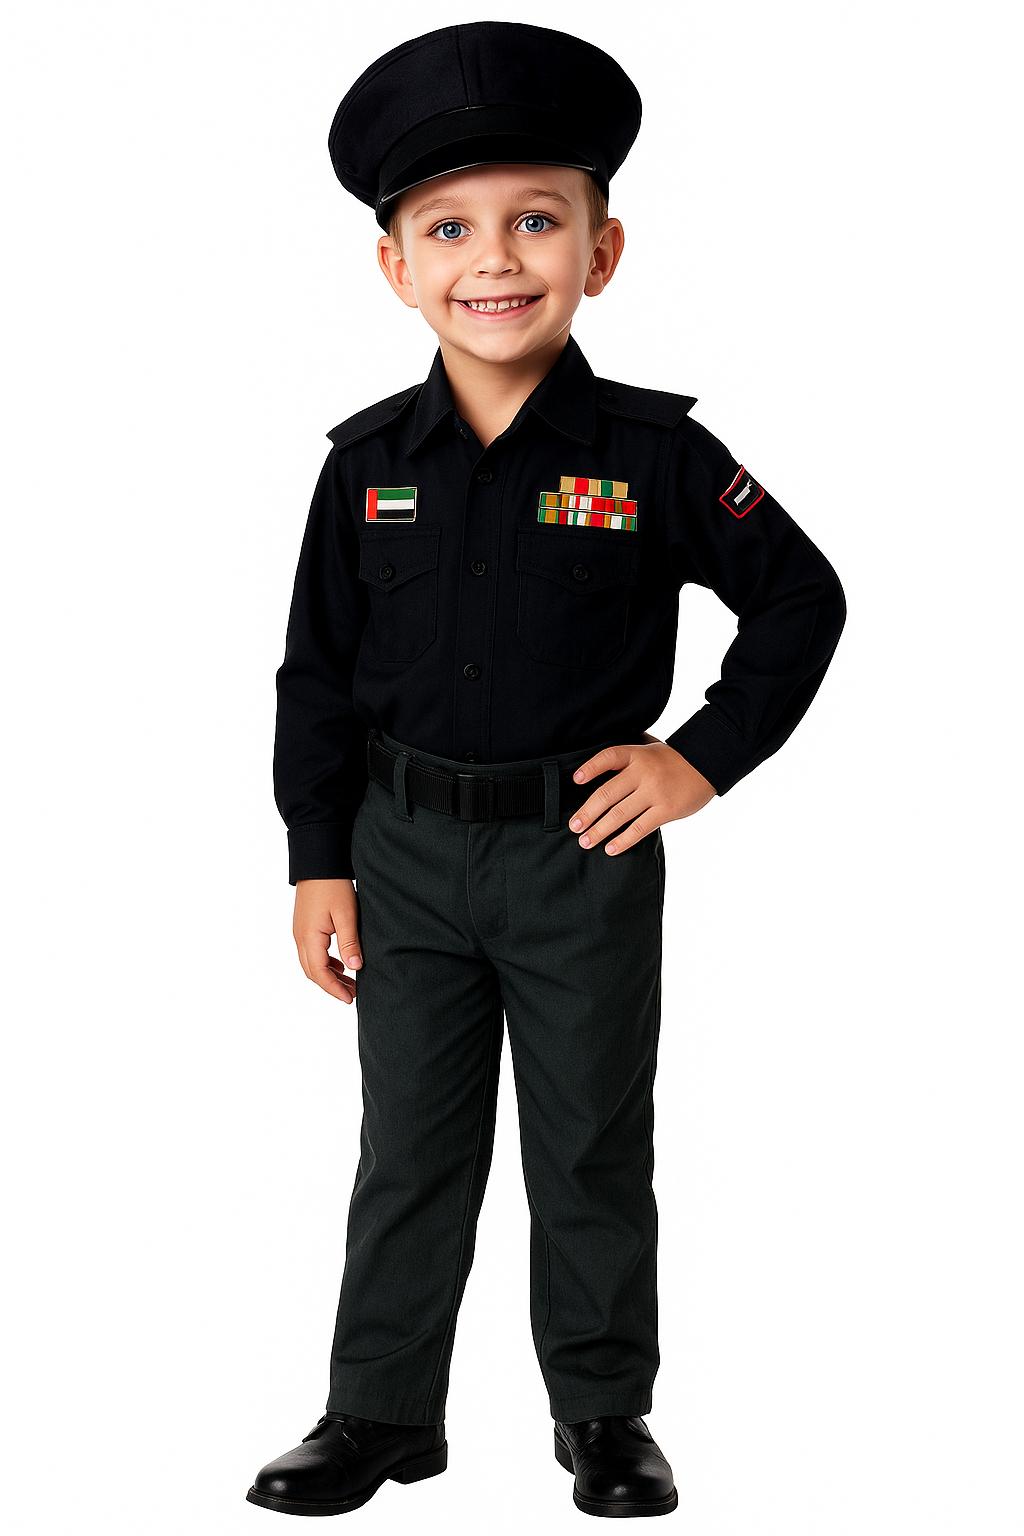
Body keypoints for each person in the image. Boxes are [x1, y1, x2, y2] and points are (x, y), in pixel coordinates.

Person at [247, 19, 847, 1520]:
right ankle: (378, 1412)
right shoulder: (363, 466)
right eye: (448, 229)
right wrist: (317, 858)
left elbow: (802, 598)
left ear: (602, 250)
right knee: (409, 1148)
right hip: (401, 852)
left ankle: (603, 1414)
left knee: (588, 1142)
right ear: (395, 266)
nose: (494, 260)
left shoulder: (651, 454)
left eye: (536, 220)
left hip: (581, 854)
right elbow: (315, 675)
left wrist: (699, 760)